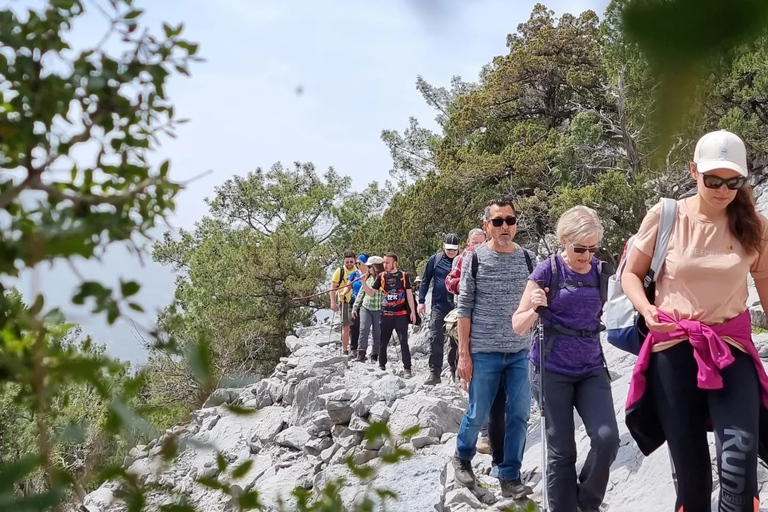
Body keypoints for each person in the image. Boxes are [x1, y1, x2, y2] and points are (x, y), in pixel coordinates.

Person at [622, 130, 768, 512]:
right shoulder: (667, 214)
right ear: (693, 171)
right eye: (713, 180)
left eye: (732, 181)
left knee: (739, 458)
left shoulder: (755, 226)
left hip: (731, 348)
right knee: (692, 478)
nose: (722, 189)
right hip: (673, 350)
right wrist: (645, 308)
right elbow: (631, 274)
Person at [513, 206, 619, 512]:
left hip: (591, 368)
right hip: (550, 369)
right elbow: (517, 324)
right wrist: (535, 308)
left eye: (592, 248)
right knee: (561, 452)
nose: (586, 256)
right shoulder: (547, 271)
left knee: (607, 439)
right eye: (579, 249)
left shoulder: (602, 272)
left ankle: (587, 504)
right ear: (563, 240)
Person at [453, 197, 535, 499]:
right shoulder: (475, 259)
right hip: (484, 351)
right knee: (478, 412)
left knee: (519, 413)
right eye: (498, 221)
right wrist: (463, 354)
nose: (504, 227)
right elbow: (465, 308)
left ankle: (509, 475)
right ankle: (462, 456)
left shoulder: (528, 258)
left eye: (510, 221)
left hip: (520, 351)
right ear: (487, 225)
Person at [362, 252, 417, 379]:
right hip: (386, 314)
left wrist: (413, 311)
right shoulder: (381, 277)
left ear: (395, 263)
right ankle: (382, 365)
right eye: (384, 262)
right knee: (383, 341)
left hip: (401, 314)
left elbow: (409, 294)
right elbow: (370, 293)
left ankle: (407, 368)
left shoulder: (404, 276)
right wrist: (364, 282)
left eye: (387, 262)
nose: (385, 265)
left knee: (404, 341)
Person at [419, 233, 460, 385]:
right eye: (449, 249)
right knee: (435, 336)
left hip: (456, 307)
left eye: (454, 249)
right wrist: (421, 301)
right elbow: (425, 280)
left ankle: (454, 371)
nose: (451, 252)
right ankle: (434, 373)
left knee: (456, 340)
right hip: (438, 305)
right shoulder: (434, 260)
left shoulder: (461, 261)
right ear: (443, 246)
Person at [352, 256, 384, 362]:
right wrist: (355, 307)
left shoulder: (383, 279)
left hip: (379, 309)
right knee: (363, 329)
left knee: (377, 332)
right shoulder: (368, 278)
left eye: (370, 267)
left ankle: (375, 354)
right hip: (366, 307)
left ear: (375, 267)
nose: (368, 268)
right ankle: (361, 353)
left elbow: (374, 292)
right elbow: (362, 293)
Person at [330, 249, 357, 355]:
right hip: (344, 302)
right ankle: (345, 350)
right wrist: (333, 302)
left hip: (356, 302)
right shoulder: (339, 271)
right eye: (347, 262)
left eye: (351, 262)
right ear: (344, 261)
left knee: (355, 326)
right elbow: (333, 288)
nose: (349, 264)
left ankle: (355, 349)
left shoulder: (358, 271)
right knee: (346, 326)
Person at [347, 254, 368, 359]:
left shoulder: (370, 275)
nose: (357, 265)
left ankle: (362, 350)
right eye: (357, 263)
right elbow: (348, 286)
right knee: (354, 326)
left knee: (363, 327)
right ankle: (353, 349)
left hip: (365, 303)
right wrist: (343, 293)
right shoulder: (354, 274)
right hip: (354, 301)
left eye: (359, 263)